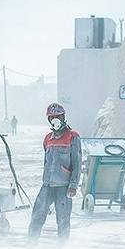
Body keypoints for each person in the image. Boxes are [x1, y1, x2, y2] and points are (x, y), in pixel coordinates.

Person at [28, 102, 82, 241]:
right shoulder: (47, 138)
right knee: (37, 216)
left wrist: (73, 185)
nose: (55, 120)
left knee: (63, 221)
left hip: (64, 187)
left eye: (57, 116)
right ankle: (31, 245)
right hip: (47, 185)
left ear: (63, 117)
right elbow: (47, 161)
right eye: (52, 117)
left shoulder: (73, 137)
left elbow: (77, 163)